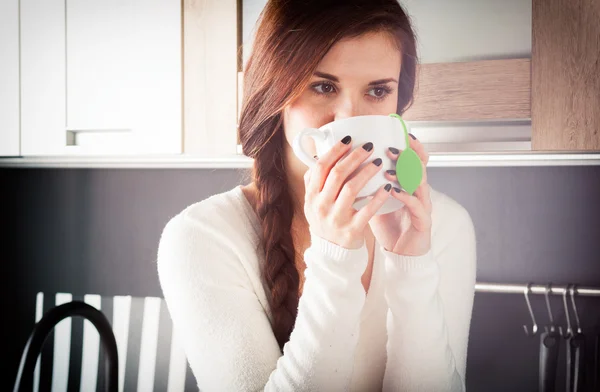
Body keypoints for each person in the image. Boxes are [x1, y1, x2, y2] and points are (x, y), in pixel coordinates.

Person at [157, 0, 477, 390]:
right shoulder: (201, 238)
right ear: (275, 92)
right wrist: (334, 259)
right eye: (323, 87)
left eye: (378, 91)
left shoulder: (443, 226)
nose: (348, 120)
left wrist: (412, 268)